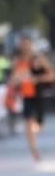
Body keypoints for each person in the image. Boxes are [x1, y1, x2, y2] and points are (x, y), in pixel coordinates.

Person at [8, 35, 55, 163]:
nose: (25, 47)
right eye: (23, 44)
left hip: (39, 95)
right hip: (26, 96)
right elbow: (12, 80)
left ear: (31, 45)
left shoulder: (39, 59)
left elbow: (52, 75)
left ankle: (35, 131)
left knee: (39, 124)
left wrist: (37, 79)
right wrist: (16, 81)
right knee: (28, 122)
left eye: (27, 44)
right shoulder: (18, 61)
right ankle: (34, 149)